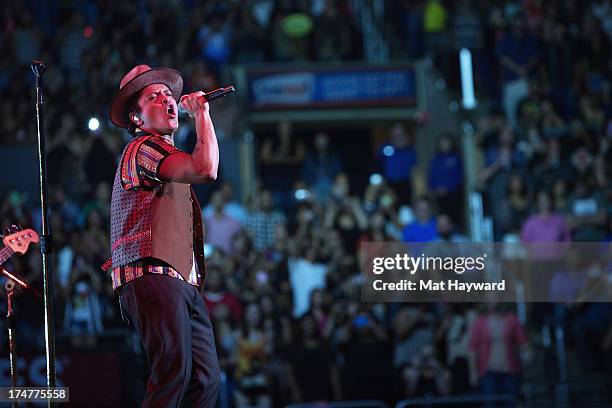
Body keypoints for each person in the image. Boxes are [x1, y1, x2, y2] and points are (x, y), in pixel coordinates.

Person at [106, 64, 220, 407]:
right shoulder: (144, 148)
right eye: (154, 97)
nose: (167, 101)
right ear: (136, 118)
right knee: (173, 375)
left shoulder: (165, 153)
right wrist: (202, 114)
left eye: (169, 95)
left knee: (207, 380)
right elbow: (205, 168)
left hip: (181, 279)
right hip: (154, 275)